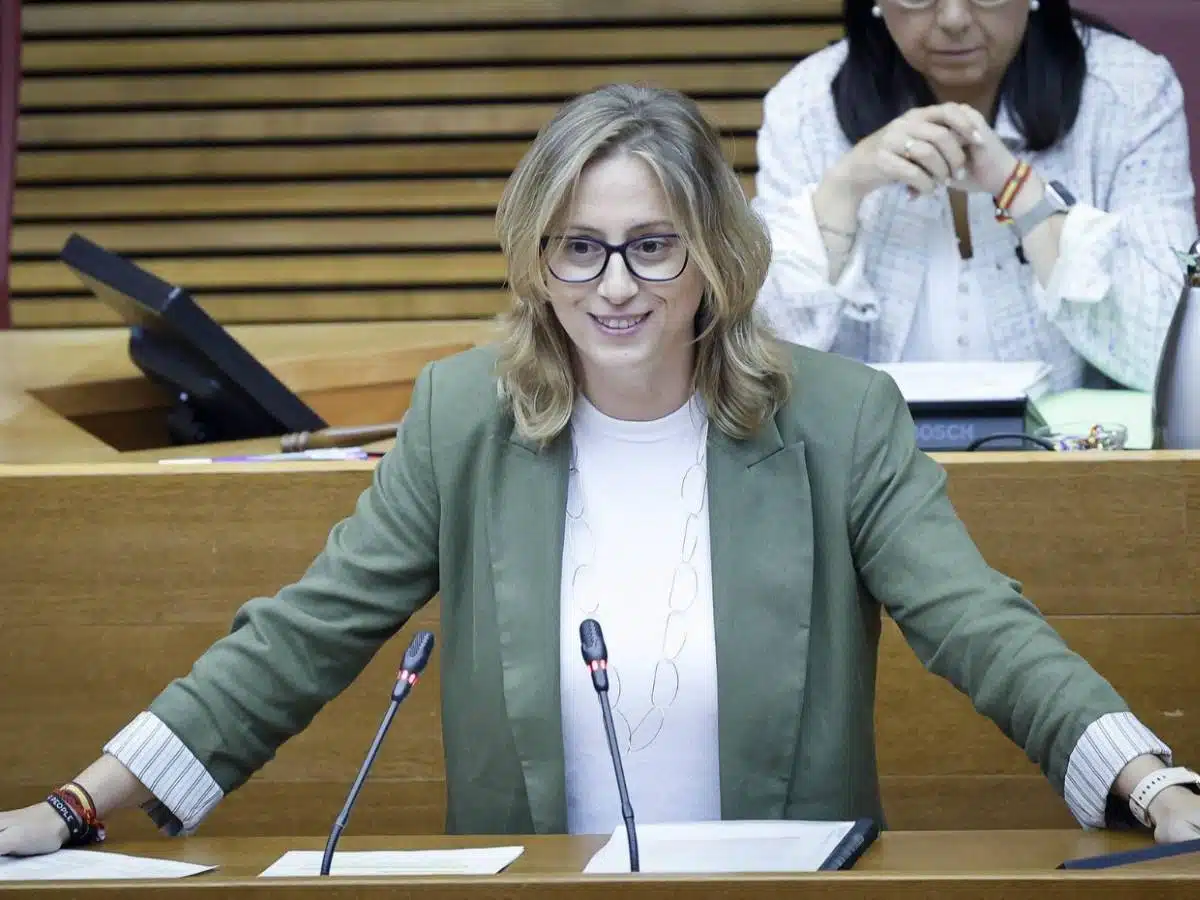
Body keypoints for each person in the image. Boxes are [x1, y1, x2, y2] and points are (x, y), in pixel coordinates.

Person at [2, 83, 1199, 858]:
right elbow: (297, 640)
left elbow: (981, 623)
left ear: (715, 259)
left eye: (650, 244)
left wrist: (1148, 781)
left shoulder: (839, 421)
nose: (614, 284)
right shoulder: (463, 419)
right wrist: (75, 806)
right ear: (538, 263)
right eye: (578, 248)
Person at [753, 0, 1198, 394]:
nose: (953, 18)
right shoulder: (805, 107)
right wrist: (845, 187)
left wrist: (1022, 193)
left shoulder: (1129, 93)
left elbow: (1177, 357)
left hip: (1074, 471)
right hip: (858, 475)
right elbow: (753, 365)